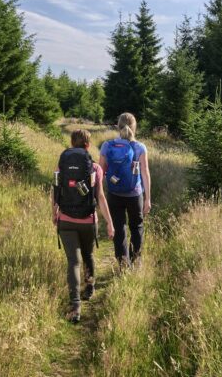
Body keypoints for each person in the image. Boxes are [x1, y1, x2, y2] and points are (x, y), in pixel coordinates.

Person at [53, 129, 114, 323]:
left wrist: (54, 212)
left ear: (71, 144)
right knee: (88, 255)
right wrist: (110, 223)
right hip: (88, 221)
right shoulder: (95, 168)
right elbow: (100, 197)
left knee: (73, 261)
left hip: (66, 220)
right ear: (88, 146)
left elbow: (54, 190)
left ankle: (75, 306)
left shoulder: (61, 165)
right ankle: (89, 286)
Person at [99, 112, 151, 269]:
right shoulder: (140, 147)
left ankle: (123, 264)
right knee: (137, 227)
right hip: (135, 194)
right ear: (135, 128)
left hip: (114, 193)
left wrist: (98, 194)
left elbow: (100, 171)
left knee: (119, 227)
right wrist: (148, 198)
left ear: (117, 126)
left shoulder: (107, 146)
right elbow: (145, 172)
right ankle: (136, 261)